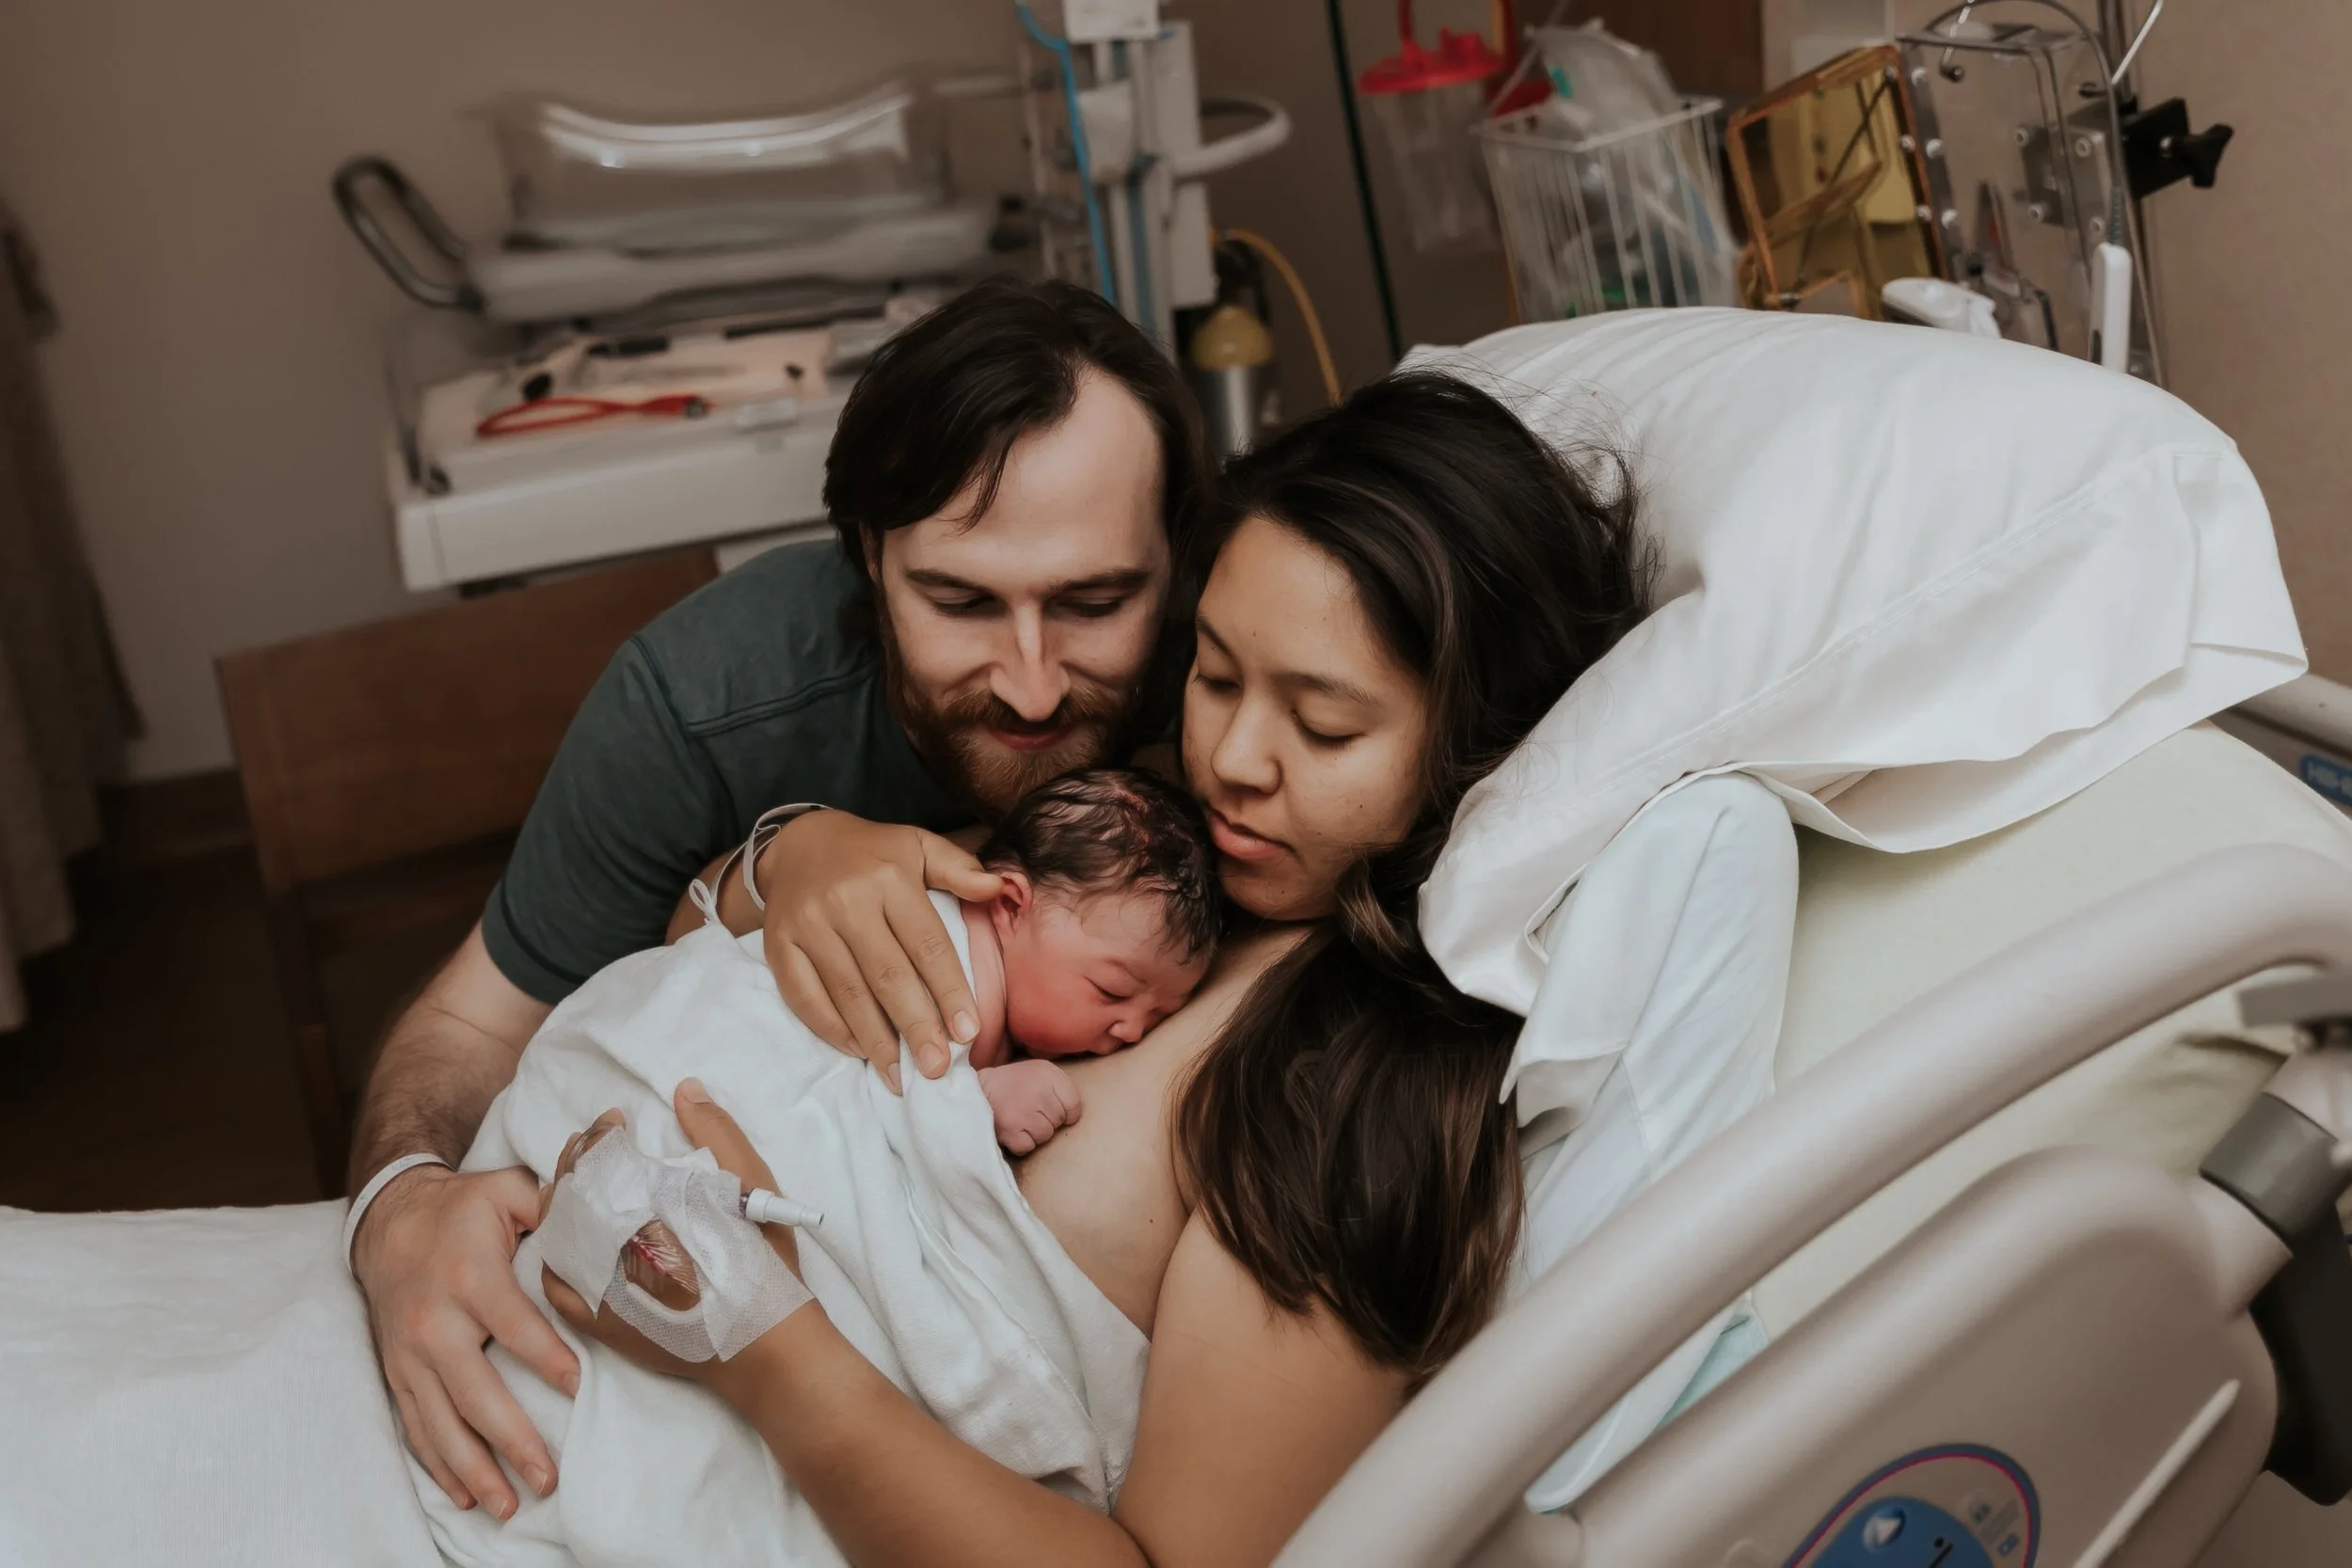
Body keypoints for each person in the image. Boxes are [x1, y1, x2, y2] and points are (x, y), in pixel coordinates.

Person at [534, 370, 1653, 1565]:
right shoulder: (1142, 848)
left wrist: (765, 1346)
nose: (1230, 757)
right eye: (1216, 675)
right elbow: (719, 963)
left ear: (1479, 748)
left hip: (678, 1407)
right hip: (540, 1292)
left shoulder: (1351, 1100)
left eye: (1323, 727)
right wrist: (788, 855)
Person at [345, 275, 1215, 1523]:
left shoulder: (1230, 695)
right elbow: (472, 1027)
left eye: (1093, 602)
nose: (1031, 686)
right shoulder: (709, 696)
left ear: (1173, 566)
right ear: (868, 557)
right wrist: (396, 1208)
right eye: (962, 601)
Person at [957, 767, 1220, 1155]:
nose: (1132, 1032)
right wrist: (974, 1104)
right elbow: (852, 1112)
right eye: (1112, 991)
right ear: (1011, 907)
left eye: (1158, 1016)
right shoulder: (956, 977)